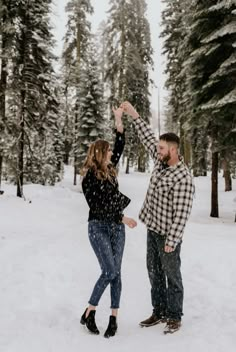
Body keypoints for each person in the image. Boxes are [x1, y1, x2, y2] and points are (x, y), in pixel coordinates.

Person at [121, 101, 194, 334]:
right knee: (153, 272)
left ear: (173, 150)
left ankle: (174, 316)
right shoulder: (161, 161)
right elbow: (147, 137)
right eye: (159, 147)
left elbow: (181, 215)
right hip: (153, 228)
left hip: (168, 236)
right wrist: (134, 115)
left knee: (172, 275)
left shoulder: (183, 177)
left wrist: (172, 241)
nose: (157, 150)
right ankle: (159, 310)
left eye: (162, 148)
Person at [80, 106, 137, 338]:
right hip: (98, 227)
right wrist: (122, 216)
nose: (111, 153)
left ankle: (114, 317)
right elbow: (98, 206)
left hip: (117, 228)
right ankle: (90, 310)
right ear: (98, 154)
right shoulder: (89, 178)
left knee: (117, 273)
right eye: (107, 152)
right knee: (109, 270)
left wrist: (118, 119)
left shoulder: (111, 169)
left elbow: (121, 144)